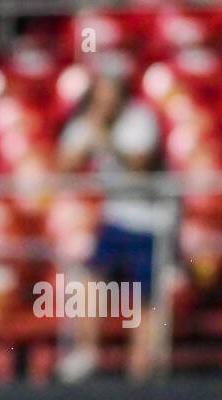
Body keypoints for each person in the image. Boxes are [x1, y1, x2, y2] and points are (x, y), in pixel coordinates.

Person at [57, 67, 169, 383]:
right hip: (116, 218)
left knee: (144, 296)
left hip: (151, 221)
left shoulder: (140, 120)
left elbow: (140, 168)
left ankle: (142, 368)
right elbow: (63, 166)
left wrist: (105, 137)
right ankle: (87, 352)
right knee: (90, 278)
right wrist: (85, 139)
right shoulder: (89, 120)